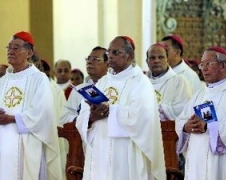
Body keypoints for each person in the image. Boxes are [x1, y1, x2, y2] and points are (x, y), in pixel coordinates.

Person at [76, 36, 166, 179]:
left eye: (115, 53)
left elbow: (143, 117)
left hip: (125, 151)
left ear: (129, 56)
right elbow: (84, 110)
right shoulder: (103, 81)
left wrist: (109, 111)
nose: (110, 56)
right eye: (109, 53)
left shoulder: (140, 82)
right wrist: (91, 117)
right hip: (100, 148)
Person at [0, 31, 62, 179]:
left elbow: (43, 112)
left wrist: (13, 118)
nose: (11, 51)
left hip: (26, 144)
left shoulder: (39, 78)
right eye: (9, 47)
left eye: (16, 48)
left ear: (29, 52)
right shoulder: (3, 80)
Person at [176, 46, 226, 180]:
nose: (203, 69)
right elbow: (181, 119)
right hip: (195, 160)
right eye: (202, 65)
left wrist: (208, 126)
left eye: (208, 64)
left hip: (220, 163)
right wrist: (185, 127)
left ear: (222, 66)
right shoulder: (199, 94)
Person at [60, 46, 108, 125]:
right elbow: (64, 118)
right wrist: (87, 118)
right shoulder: (79, 89)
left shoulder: (114, 87)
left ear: (107, 64)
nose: (89, 62)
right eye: (88, 59)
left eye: (95, 59)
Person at [146, 43, 192, 121]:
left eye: (161, 57)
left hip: (169, 130)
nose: (156, 61)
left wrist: (161, 109)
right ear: (147, 61)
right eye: (152, 58)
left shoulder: (179, 81)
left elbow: (184, 109)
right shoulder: (141, 82)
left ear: (167, 59)